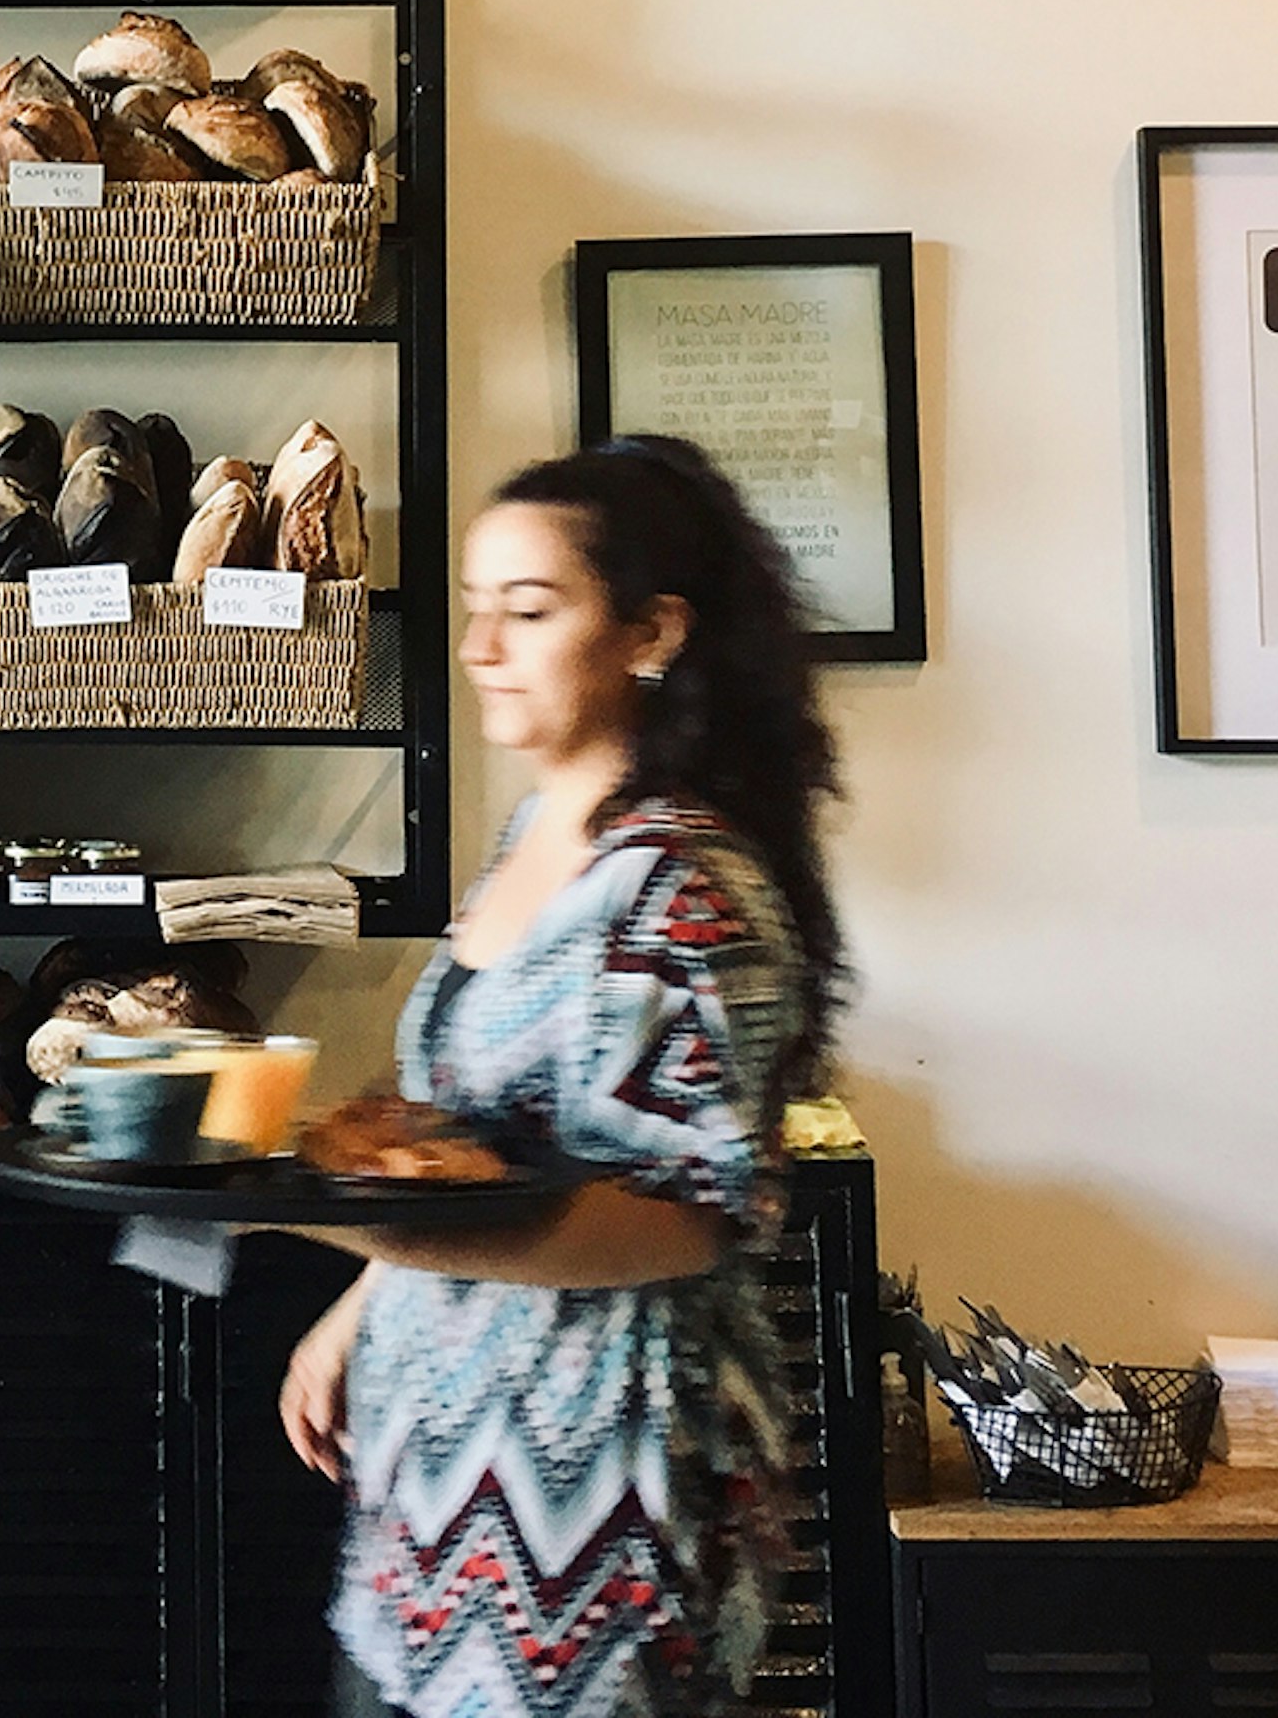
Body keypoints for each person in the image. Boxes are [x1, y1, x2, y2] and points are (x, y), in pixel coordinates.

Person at [282, 438, 842, 1717]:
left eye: (527, 612)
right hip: (435, 1473)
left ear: (652, 632)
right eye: (477, 608)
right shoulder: (539, 832)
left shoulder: (687, 890)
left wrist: (320, 1210)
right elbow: (480, 1134)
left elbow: (681, 1219)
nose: (479, 647)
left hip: (593, 1503)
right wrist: (361, 1306)